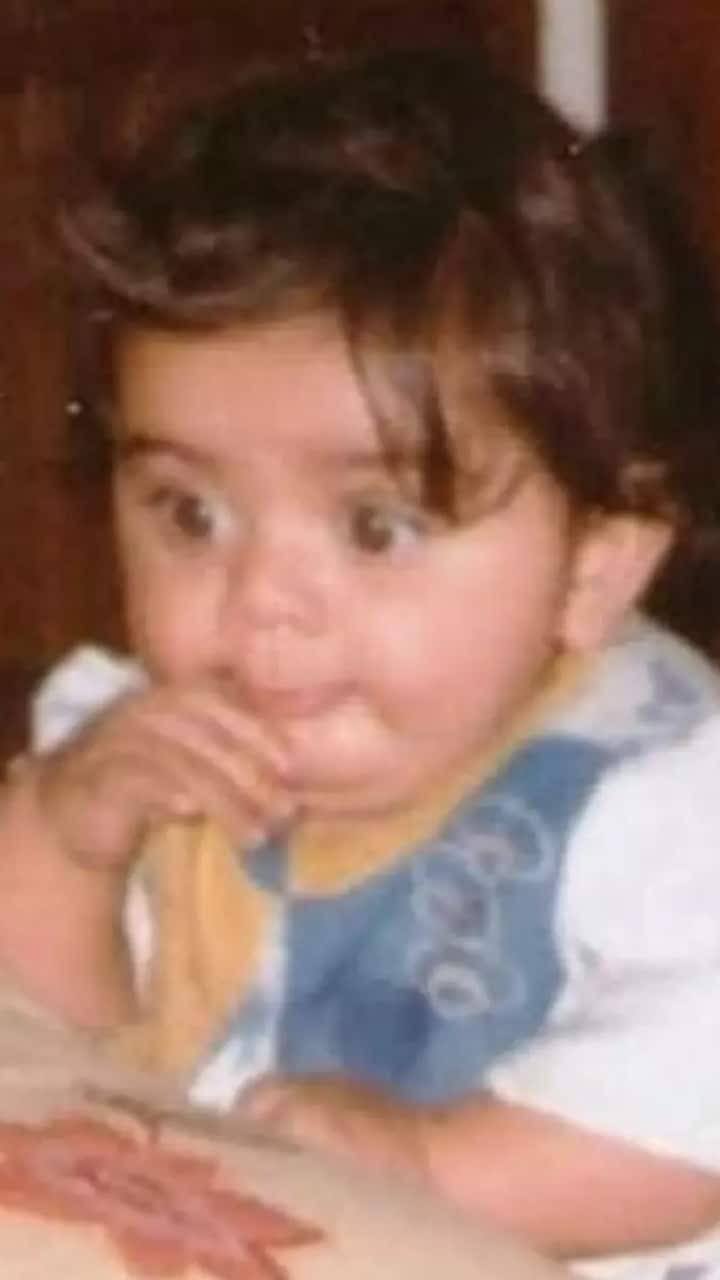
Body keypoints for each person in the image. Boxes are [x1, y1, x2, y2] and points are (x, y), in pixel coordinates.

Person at [2, 44, 720, 1277]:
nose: (261, 604)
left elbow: (693, 1110)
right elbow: (51, 1038)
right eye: (190, 513)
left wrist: (432, 1162)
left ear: (595, 568)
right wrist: (68, 840)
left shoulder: (662, 793)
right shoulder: (150, 744)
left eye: (376, 527)